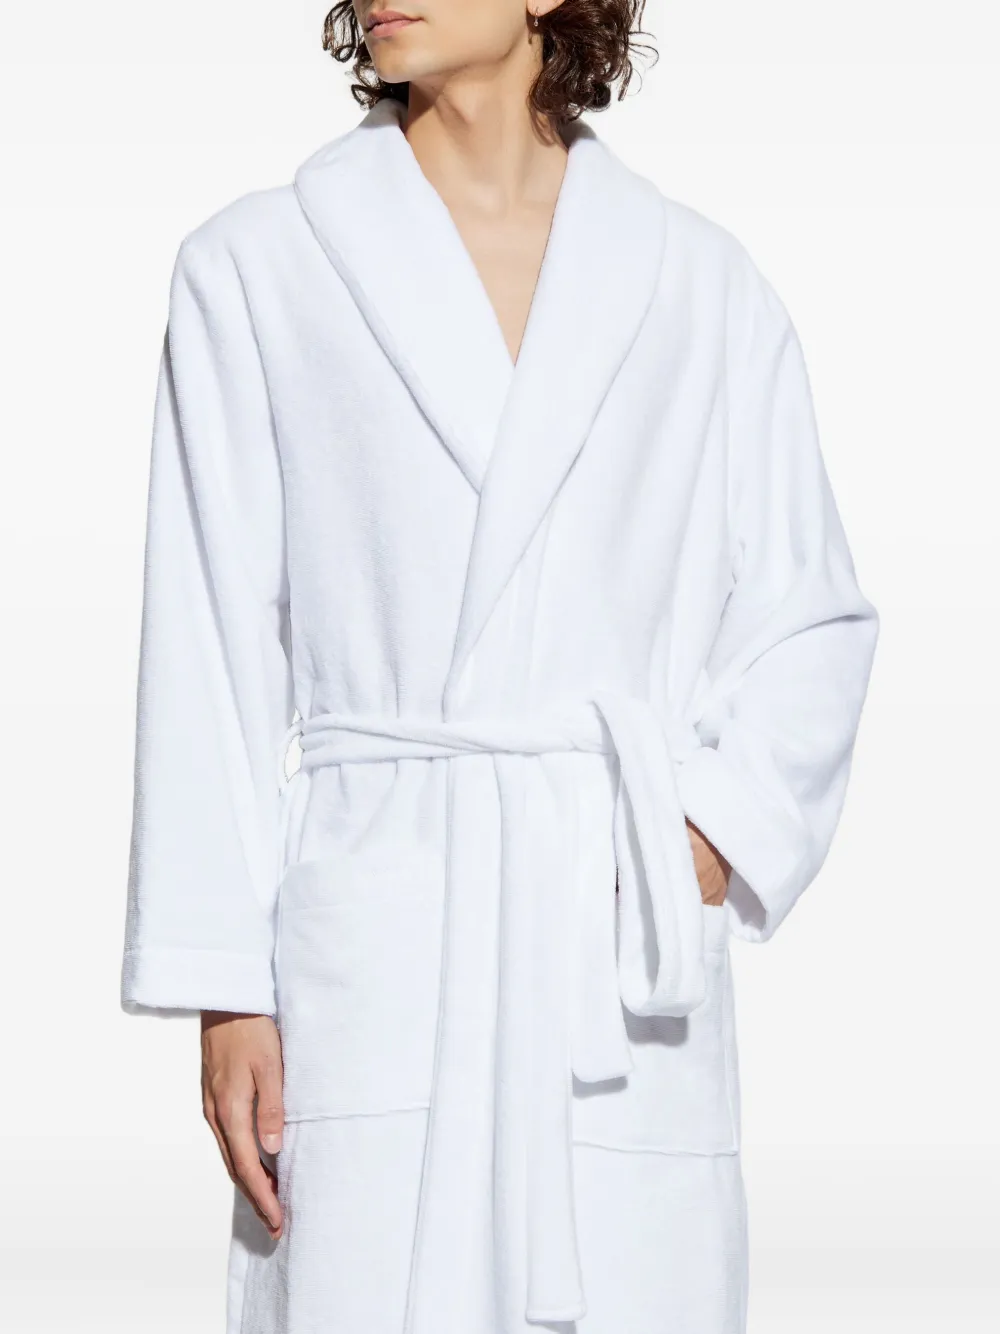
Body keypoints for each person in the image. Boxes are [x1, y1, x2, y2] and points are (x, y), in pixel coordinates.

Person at [120, 1, 879, 1331]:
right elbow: (207, 645)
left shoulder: (701, 287)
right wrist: (226, 991)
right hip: (379, 933)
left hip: (607, 947)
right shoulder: (254, 269)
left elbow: (811, 619)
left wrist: (699, 842)